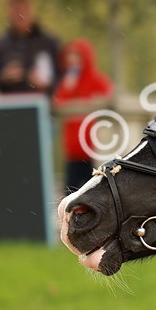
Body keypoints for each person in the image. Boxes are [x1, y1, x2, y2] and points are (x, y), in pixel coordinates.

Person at [53, 38, 114, 194]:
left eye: (77, 57)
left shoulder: (97, 80)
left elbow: (108, 99)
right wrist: (68, 86)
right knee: (71, 193)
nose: (72, 61)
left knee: (97, 191)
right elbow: (59, 103)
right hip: (73, 151)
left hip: (95, 150)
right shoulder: (67, 82)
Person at [0, 0, 61, 94]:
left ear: (32, 11)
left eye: (24, 11)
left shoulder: (50, 43)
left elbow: (64, 78)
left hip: (44, 105)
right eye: (16, 12)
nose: (20, 16)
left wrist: (46, 85)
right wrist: (3, 77)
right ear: (8, 14)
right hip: (10, 105)